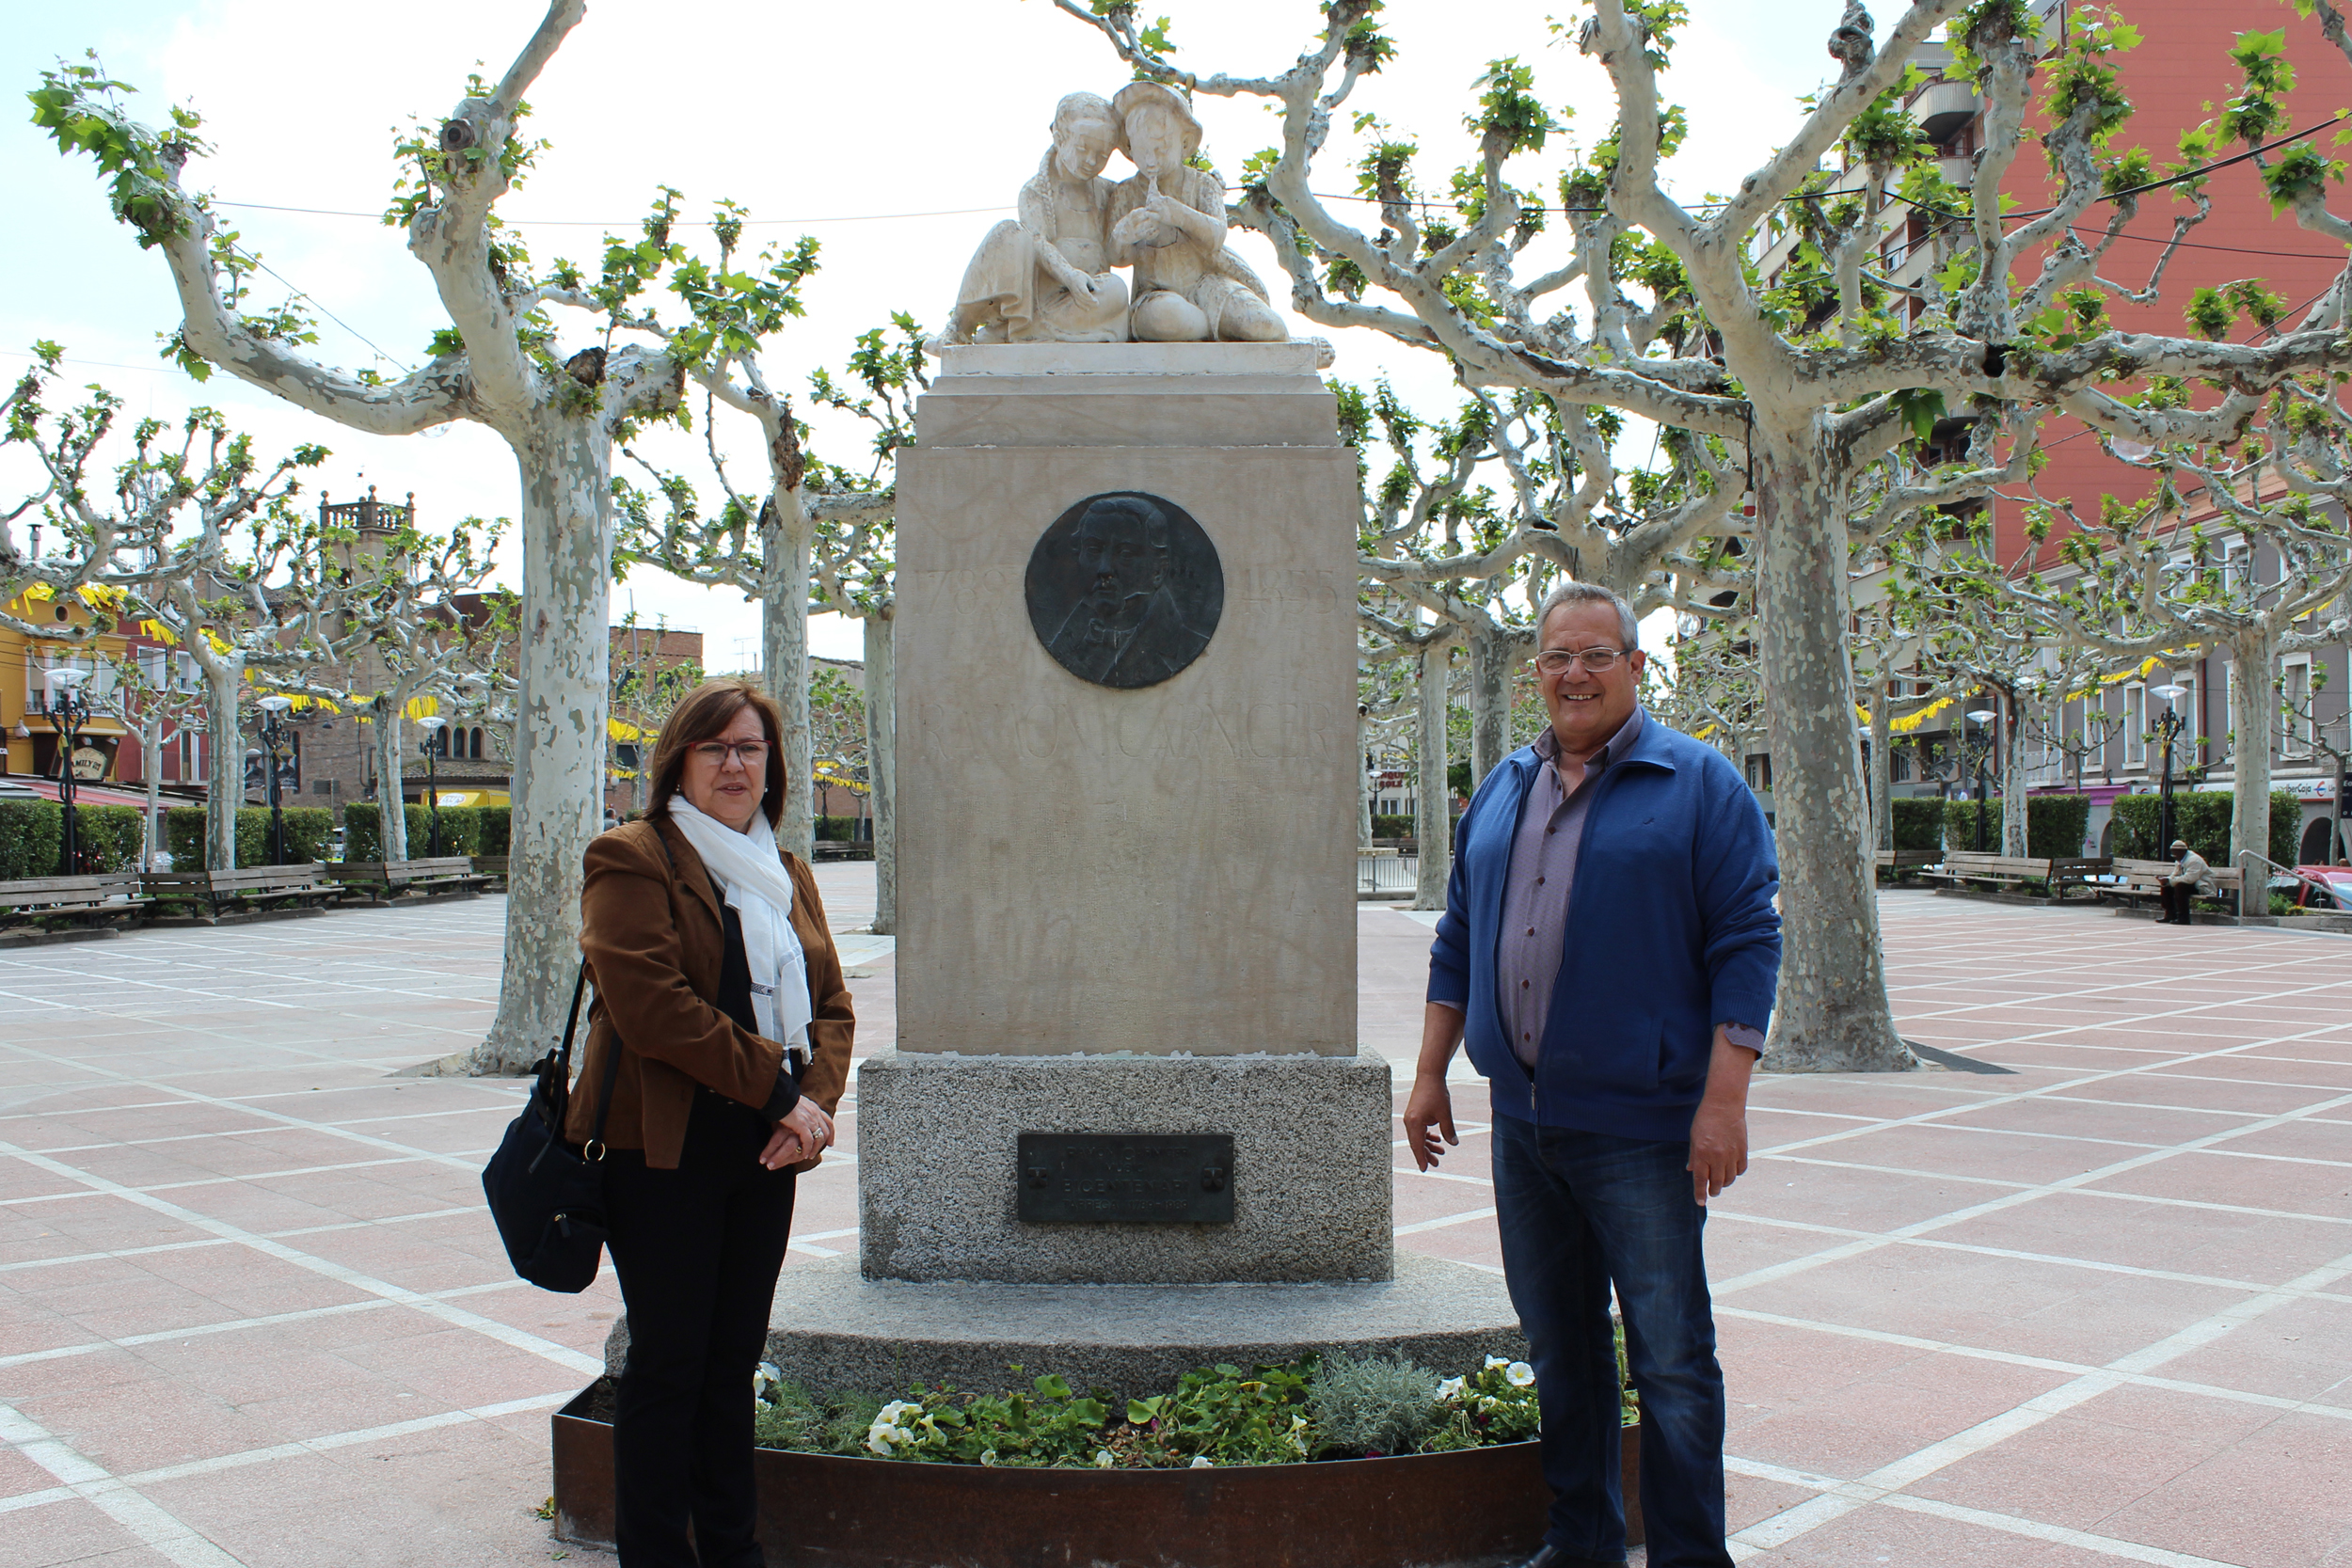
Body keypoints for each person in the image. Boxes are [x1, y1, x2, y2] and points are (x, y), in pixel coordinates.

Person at [1405, 582, 1780, 1568]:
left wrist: (1722, 1102)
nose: (1574, 673)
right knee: (1559, 1348)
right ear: (1536, 669)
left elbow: (1747, 940)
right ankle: (1581, 1544)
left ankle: (1693, 1555)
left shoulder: (1697, 783)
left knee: (1668, 1357)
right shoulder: (1502, 786)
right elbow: (1457, 936)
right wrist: (1430, 1071)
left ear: (1634, 666)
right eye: (1555, 656)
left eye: (1595, 655)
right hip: (1525, 1126)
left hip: (1643, 1131)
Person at [568, 677, 853, 1568]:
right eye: (715, 747)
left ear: (772, 766)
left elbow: (834, 1009)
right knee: (667, 1369)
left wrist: (815, 1112)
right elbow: (654, 1008)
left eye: (751, 748)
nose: (735, 763)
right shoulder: (633, 856)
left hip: (763, 1154)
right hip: (661, 1152)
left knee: (732, 1369)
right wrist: (782, 1094)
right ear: (678, 762)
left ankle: (733, 1550)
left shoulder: (786, 870)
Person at [936, 91, 1131, 346]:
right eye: (1083, 149)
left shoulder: (1109, 193)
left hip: (1088, 299)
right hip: (1042, 298)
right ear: (1060, 138)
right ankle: (963, 327)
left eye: (1103, 154)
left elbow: (1119, 254)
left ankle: (1025, 331)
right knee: (1008, 232)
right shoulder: (1035, 191)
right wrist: (1069, 275)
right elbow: (1038, 242)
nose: (1091, 161)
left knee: (1116, 290)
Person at [1104, 81, 1287, 343]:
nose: (1151, 159)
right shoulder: (1125, 193)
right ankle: (1214, 333)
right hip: (1156, 295)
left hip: (1208, 284)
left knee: (1262, 324)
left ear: (1185, 143)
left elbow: (1216, 236)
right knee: (1165, 319)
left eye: (1161, 148)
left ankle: (1280, 340)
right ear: (1130, 149)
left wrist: (1177, 214)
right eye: (1142, 151)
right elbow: (1116, 258)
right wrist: (1124, 235)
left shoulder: (1203, 184)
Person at [1042, 494, 1213, 687]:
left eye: (1125, 554)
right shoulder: (1064, 641)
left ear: (1159, 570)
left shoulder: (1184, 646)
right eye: (1093, 550)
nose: (1104, 569)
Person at [2159, 837, 2213, 925]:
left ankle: (2184, 918)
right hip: (2192, 884)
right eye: (2172, 852)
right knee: (2166, 887)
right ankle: (2170, 914)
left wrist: (2171, 880)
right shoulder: (2180, 860)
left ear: (2182, 851)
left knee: (2180, 887)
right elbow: (2175, 874)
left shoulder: (2194, 860)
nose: (2173, 855)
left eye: (2175, 852)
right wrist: (2166, 880)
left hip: (2202, 885)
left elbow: (2190, 878)